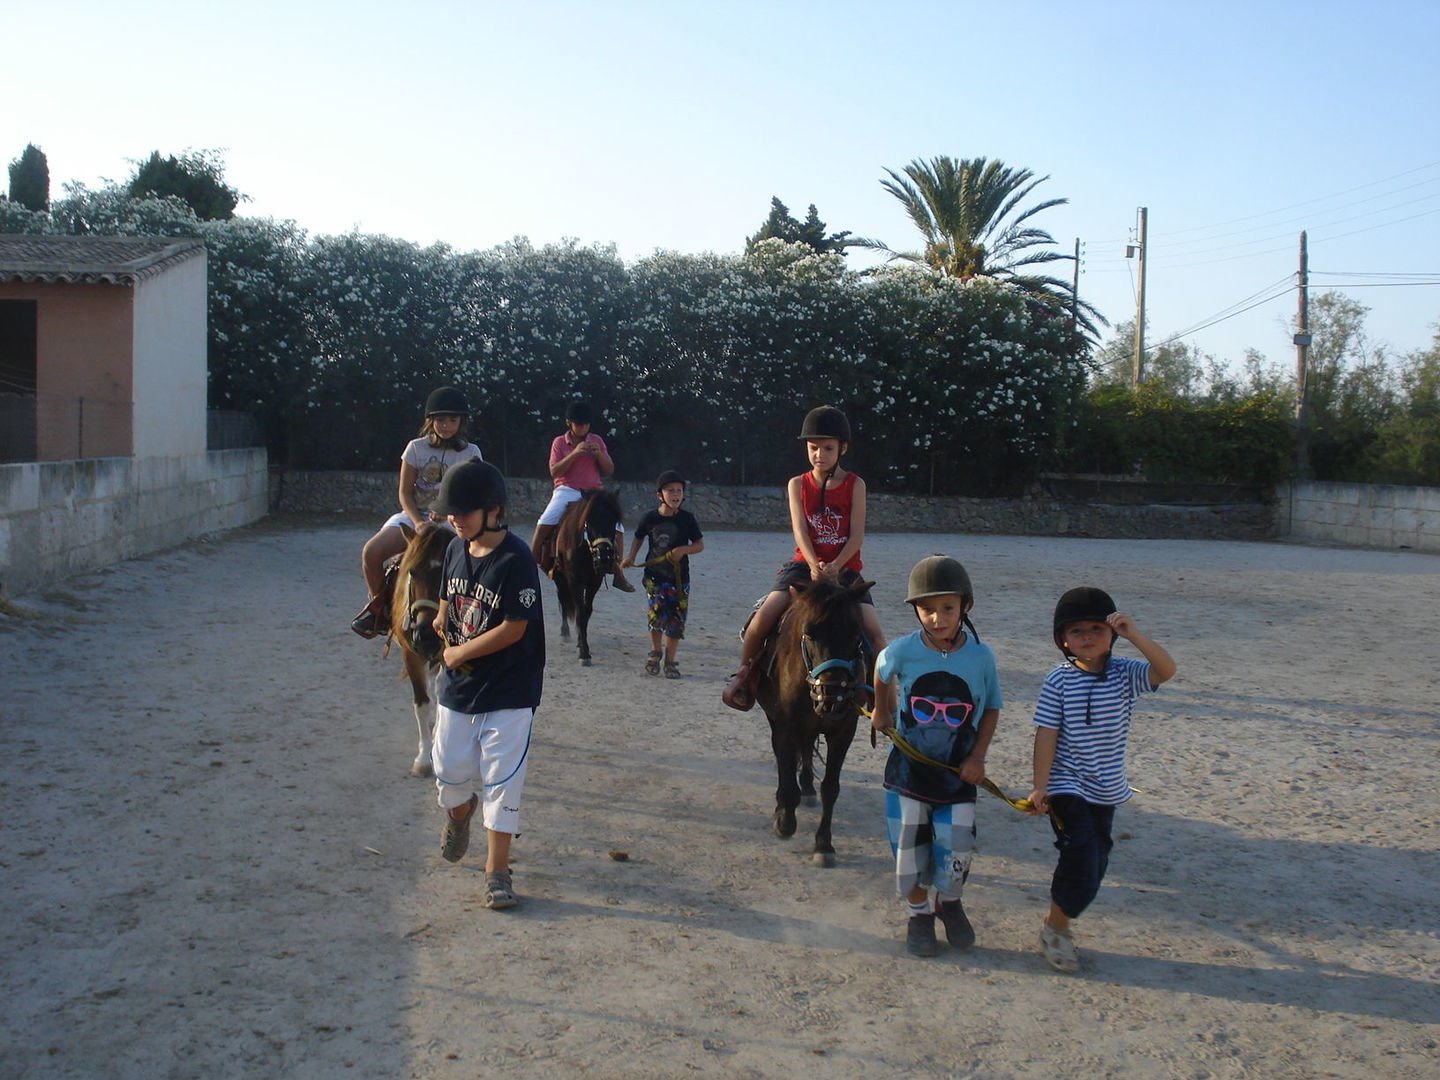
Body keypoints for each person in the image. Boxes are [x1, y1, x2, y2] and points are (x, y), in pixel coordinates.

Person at [1028, 587, 1177, 972]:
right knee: (1080, 853)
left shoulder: (1125, 675)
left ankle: (1057, 921)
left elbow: (1167, 670)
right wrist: (1040, 786)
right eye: (1077, 631)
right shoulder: (1057, 681)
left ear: (1111, 633)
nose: (1088, 637)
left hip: (1106, 786)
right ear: (1062, 639)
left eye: (1097, 627)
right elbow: (1046, 734)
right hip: (1066, 783)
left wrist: (1135, 635)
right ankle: (1056, 932)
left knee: (1097, 863)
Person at [427, 459, 546, 911]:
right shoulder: (457, 548)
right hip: (457, 689)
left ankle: (497, 870)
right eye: (451, 512)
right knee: (450, 774)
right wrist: (440, 620)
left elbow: (516, 627)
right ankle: (460, 815)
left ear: (493, 510)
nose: (455, 519)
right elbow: (446, 598)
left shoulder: (516, 560)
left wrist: (459, 651)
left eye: (464, 511)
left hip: (510, 690)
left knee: (503, 780)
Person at [870, 556, 1002, 957]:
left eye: (948, 607)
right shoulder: (902, 651)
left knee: (957, 852)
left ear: (965, 606)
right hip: (908, 774)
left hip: (957, 776)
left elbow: (992, 707)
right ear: (915, 610)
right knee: (908, 857)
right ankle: (919, 916)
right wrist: (882, 708)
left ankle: (949, 902)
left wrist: (978, 757)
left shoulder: (981, 657)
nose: (937, 617)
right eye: (927, 609)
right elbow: (881, 670)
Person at [722, 405, 885, 710]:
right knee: (762, 619)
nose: (819, 454)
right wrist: (813, 565)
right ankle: (744, 677)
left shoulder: (856, 485)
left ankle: (882, 695)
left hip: (845, 568)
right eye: (813, 448)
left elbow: (856, 536)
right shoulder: (797, 484)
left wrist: (835, 566)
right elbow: (800, 532)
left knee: (875, 633)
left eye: (827, 448)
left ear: (842, 448)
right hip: (803, 565)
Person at [350, 386, 483, 637]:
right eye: (440, 420)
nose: (445, 426)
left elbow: (473, 492)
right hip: (416, 516)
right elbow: (405, 492)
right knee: (372, 551)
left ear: (461, 422)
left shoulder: (471, 453)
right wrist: (417, 522)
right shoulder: (415, 448)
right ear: (430, 420)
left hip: (452, 520)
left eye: (452, 420)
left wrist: (448, 514)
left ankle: (475, 614)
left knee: (476, 560)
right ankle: (382, 608)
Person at [529, 400, 634, 592]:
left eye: (585, 424)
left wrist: (599, 455)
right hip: (566, 489)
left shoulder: (597, 441)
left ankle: (617, 571)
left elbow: (609, 470)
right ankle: (530, 563)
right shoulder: (560, 442)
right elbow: (554, 471)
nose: (582, 427)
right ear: (569, 423)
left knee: (616, 524)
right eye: (578, 424)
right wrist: (575, 454)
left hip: (593, 491)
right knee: (545, 520)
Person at [621, 470, 705, 678]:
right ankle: (655, 651)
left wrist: (683, 550)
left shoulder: (688, 519)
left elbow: (699, 545)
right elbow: (639, 537)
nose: (675, 494)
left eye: (679, 490)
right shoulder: (649, 518)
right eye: (670, 490)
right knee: (656, 615)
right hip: (654, 576)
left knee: (677, 619)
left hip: (679, 578)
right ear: (660, 495)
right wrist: (631, 556)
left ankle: (670, 660)